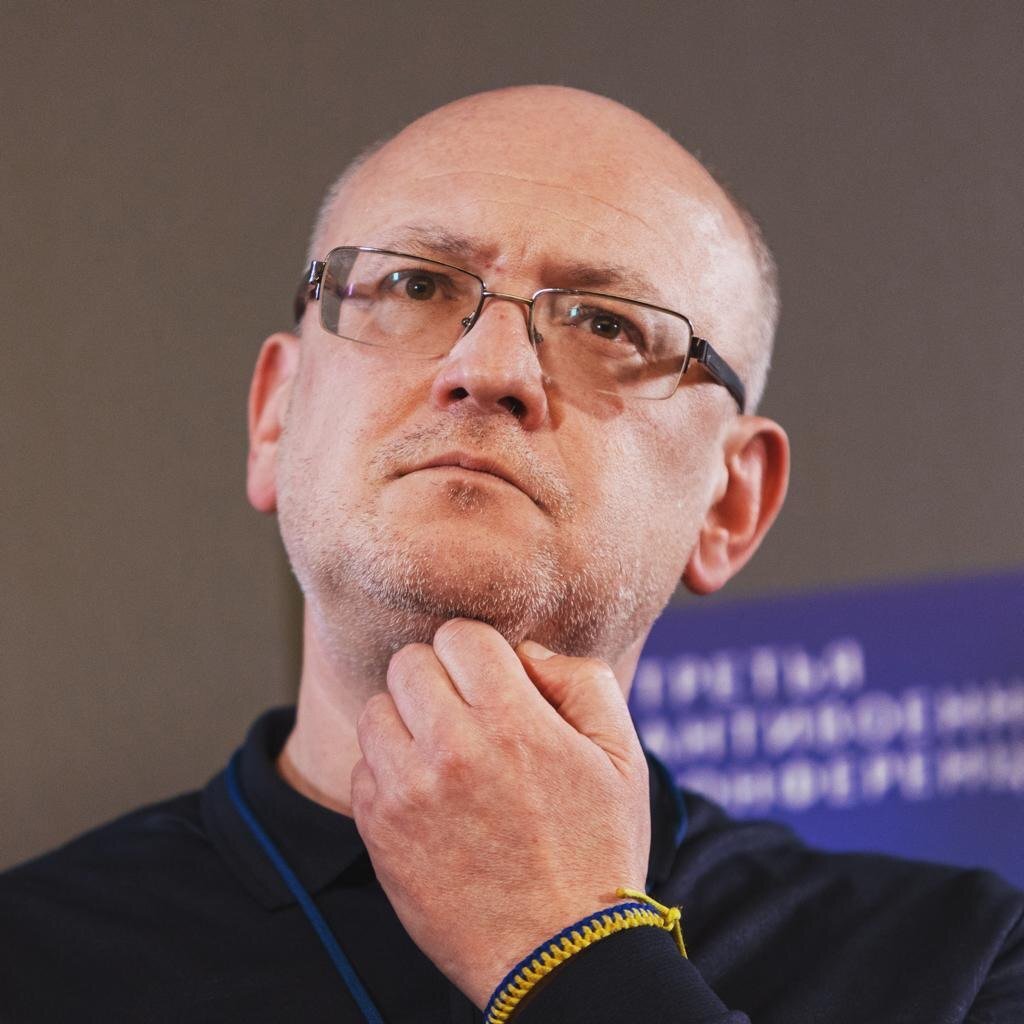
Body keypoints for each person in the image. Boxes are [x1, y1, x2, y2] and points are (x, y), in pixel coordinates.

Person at [1, 85, 1021, 1022]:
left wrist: (574, 944)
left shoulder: (962, 967)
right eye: (412, 283)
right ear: (275, 416)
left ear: (730, 502)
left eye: (606, 323)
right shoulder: (28, 962)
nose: (486, 367)